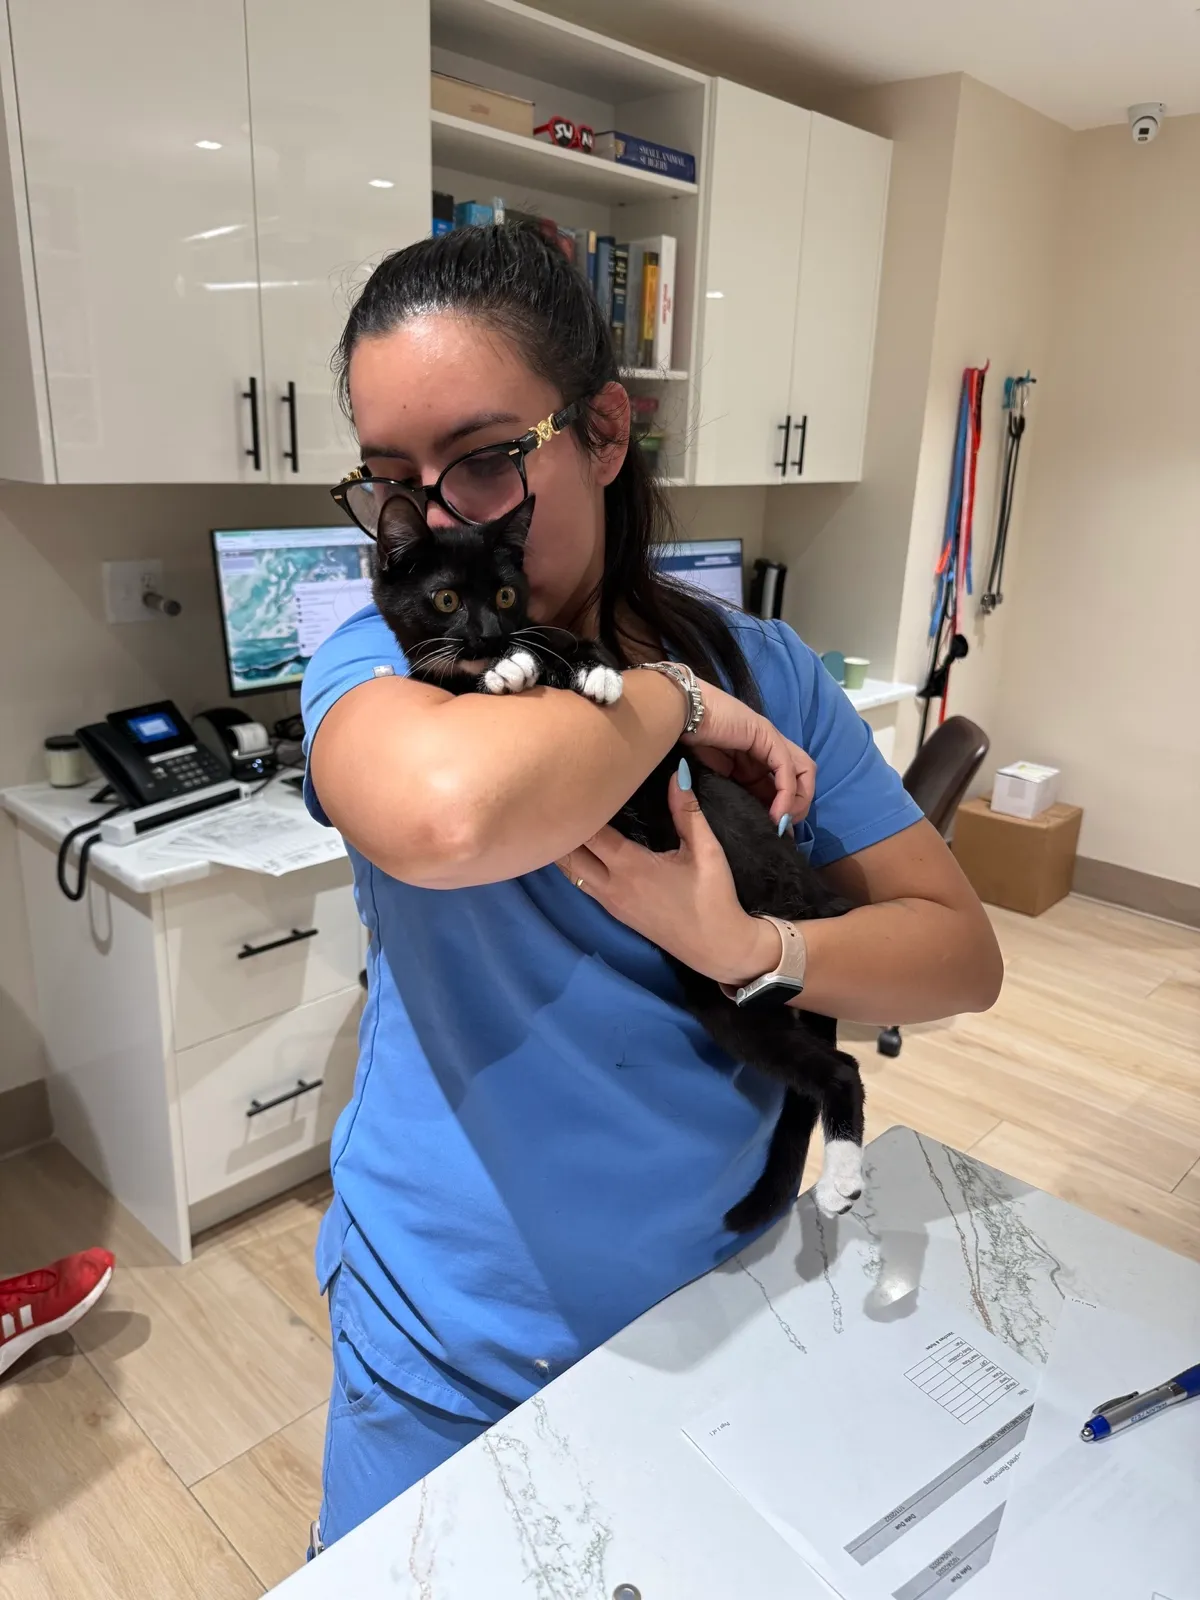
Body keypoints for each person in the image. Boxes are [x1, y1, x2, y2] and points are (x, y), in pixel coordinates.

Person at [301, 225, 1003, 1549]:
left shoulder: (773, 669)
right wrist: (672, 704)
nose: (437, 516)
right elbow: (453, 815)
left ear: (606, 434)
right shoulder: (379, 664)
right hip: (448, 1341)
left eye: (488, 459)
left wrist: (759, 948)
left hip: (716, 1302)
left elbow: (960, 954)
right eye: (394, 478)